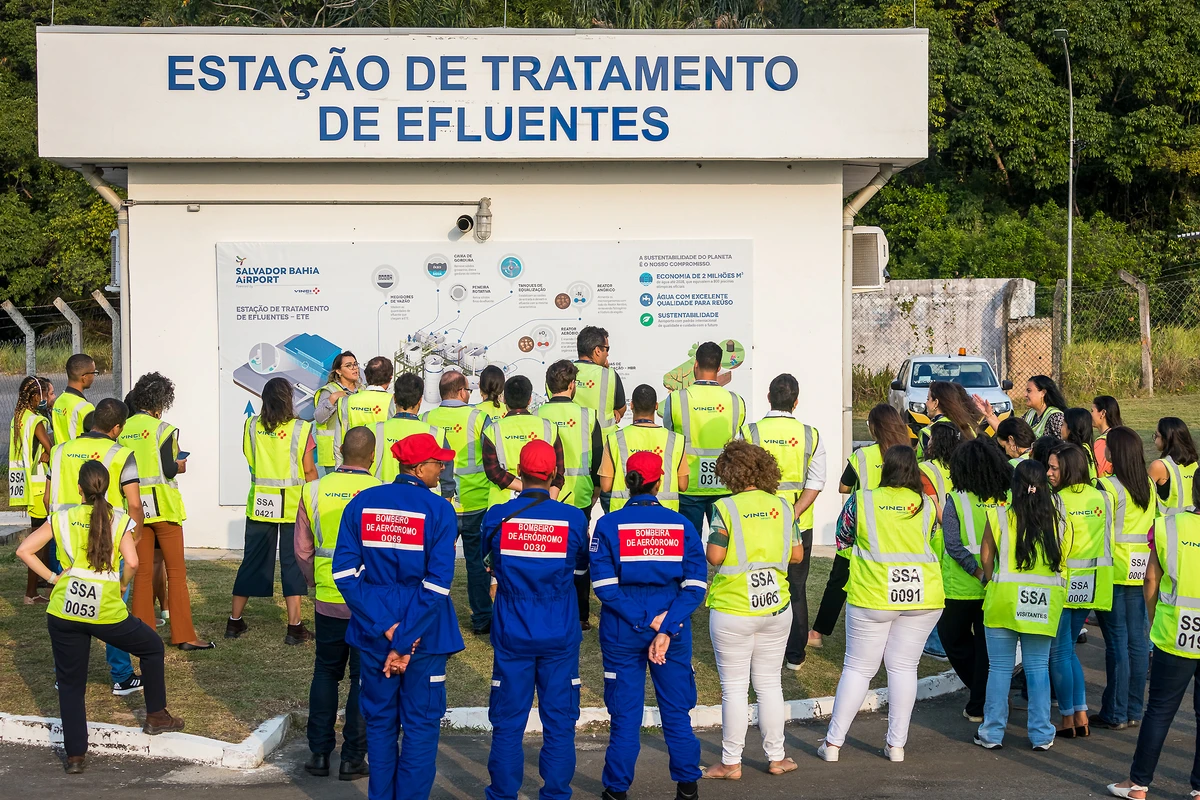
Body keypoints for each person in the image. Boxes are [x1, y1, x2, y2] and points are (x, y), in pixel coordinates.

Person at [16, 460, 184, 774]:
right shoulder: (119, 519)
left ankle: (76, 757)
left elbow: (24, 550)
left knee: (70, 684)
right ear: (107, 488)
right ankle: (156, 715)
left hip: (64, 609)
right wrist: (122, 584)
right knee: (151, 647)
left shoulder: (61, 518)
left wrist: (53, 579)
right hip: (106, 610)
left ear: (79, 489)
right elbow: (132, 561)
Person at [333, 432, 463, 800]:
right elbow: (437, 585)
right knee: (421, 727)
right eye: (437, 462)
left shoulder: (363, 503)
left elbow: (344, 573)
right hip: (426, 631)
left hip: (375, 632)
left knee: (380, 725)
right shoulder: (440, 510)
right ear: (420, 468)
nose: (442, 468)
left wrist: (386, 629)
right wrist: (404, 639)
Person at [591, 450, 706, 800]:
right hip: (672, 628)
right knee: (676, 712)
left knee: (625, 716)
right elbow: (696, 586)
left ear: (628, 483)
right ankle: (687, 788)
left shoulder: (608, 524)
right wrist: (666, 626)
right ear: (659, 483)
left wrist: (647, 621)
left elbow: (604, 588)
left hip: (624, 628)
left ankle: (616, 791)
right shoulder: (682, 525)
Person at [817, 445, 943, 764]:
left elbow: (843, 537)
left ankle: (833, 744)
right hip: (922, 594)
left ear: (884, 469)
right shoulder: (928, 504)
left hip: (873, 593)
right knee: (903, 667)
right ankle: (896, 745)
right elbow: (934, 537)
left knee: (859, 668)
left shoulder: (863, 500)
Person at [481, 439, 589, 800]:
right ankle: (556, 794)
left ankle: (502, 794)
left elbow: (488, 560)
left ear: (521, 472)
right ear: (554, 473)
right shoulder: (573, 517)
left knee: (508, 723)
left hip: (512, 628)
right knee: (559, 723)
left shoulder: (497, 516)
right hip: (559, 629)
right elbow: (580, 566)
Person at [702, 440, 803, 779]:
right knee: (770, 684)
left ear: (729, 474)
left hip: (733, 608)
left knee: (734, 688)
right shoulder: (784, 506)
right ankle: (777, 757)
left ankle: (731, 763)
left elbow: (715, 557)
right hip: (776, 605)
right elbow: (798, 555)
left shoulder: (726, 507)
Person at [1107, 470, 1200, 800]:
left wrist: (1153, 617)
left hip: (1175, 631)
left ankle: (1138, 785)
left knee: (1159, 710)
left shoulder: (1168, 526)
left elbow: (1151, 579)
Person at [294, 426, 379, 781]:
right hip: (368, 601)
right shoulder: (380, 492)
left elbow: (302, 550)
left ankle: (318, 754)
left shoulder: (313, 490)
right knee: (361, 677)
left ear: (341, 450)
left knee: (326, 672)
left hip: (329, 595)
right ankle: (353, 757)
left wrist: (315, 581)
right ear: (373, 457)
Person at [47, 397, 146, 697]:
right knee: (113, 610)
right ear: (117, 428)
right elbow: (134, 504)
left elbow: (46, 498)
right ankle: (122, 675)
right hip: (105, 544)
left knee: (69, 609)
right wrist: (133, 537)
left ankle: (63, 675)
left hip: (64, 539)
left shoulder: (60, 450)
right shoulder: (121, 454)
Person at [974, 459, 1065, 751]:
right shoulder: (1060, 519)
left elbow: (986, 555)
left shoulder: (1000, 516)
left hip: (1003, 599)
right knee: (1038, 667)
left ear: (1015, 486)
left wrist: (992, 579)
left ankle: (991, 733)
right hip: (1042, 602)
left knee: (999, 668)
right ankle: (1040, 735)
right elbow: (1065, 559)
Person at [118, 373, 211, 650]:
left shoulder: (121, 428)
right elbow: (170, 468)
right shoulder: (164, 429)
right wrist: (181, 466)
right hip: (165, 509)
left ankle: (142, 635)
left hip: (134, 509)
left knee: (143, 572)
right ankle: (184, 636)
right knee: (176, 573)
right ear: (161, 401)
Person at [742, 373, 825, 672]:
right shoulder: (810, 435)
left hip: (755, 523)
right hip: (798, 524)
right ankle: (795, 656)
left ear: (768, 397)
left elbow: (741, 479)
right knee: (796, 587)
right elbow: (816, 482)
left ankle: (757, 650)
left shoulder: (749, 432)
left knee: (755, 581)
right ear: (796, 401)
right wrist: (793, 513)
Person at [811, 403, 909, 648]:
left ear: (875, 428)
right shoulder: (910, 453)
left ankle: (817, 634)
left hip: (862, 528)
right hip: (898, 530)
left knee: (839, 580)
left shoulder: (862, 455)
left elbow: (843, 487)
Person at [228, 376, 317, 645]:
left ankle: (234, 622)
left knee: (251, 561)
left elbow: (249, 458)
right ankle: (294, 628)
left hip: (260, 504)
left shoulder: (251, 425)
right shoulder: (301, 429)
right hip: (292, 505)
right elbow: (309, 469)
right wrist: (315, 502)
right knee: (293, 563)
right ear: (288, 399)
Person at [939, 438, 1011, 723]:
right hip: (993, 586)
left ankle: (980, 698)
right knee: (984, 648)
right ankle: (982, 699)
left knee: (952, 639)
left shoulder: (956, 499)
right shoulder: (1004, 497)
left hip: (961, 588)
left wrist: (977, 571)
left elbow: (953, 545)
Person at [1048, 442, 1114, 739]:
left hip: (1064, 582)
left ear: (1068, 470)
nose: (1048, 473)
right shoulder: (1102, 497)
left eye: (1053, 468)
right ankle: (1081, 713)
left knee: (1059, 652)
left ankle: (1067, 718)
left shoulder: (1057, 500)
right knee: (1068, 649)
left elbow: (1055, 546)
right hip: (1091, 583)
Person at [1093, 426, 1155, 730]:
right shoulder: (1148, 485)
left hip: (1115, 570)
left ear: (1114, 453)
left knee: (1117, 643)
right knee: (1137, 642)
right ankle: (1133, 709)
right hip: (1141, 568)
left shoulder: (1108, 487)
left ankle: (1115, 712)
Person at [423, 370, 494, 635]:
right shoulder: (478, 417)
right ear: (462, 391)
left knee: (435, 562)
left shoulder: (427, 419)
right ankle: (482, 618)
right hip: (476, 500)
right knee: (476, 562)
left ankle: (431, 618)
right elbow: (492, 457)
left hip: (440, 503)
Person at [538, 359, 603, 631]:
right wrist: (595, 491)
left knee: (546, 553)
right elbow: (598, 458)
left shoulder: (536, 414)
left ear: (548, 385)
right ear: (573, 385)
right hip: (580, 496)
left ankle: (549, 609)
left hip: (545, 495)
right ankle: (580, 615)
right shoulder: (588, 415)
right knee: (579, 557)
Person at [661, 341, 747, 536]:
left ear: (695, 365)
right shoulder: (736, 401)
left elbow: (669, 435)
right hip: (724, 483)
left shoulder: (676, 399)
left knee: (689, 547)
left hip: (688, 484)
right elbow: (740, 438)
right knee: (724, 547)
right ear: (719, 368)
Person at [599, 383, 687, 514]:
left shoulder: (614, 439)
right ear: (656, 406)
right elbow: (683, 485)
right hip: (665, 515)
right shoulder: (675, 440)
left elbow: (605, 486)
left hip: (624, 514)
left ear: (631, 405)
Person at [481, 375, 565, 507]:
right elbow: (558, 471)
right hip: (542, 504)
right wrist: (549, 501)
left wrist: (525, 488)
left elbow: (493, 472)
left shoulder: (493, 430)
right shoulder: (549, 428)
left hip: (503, 507)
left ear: (504, 399)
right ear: (530, 399)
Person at [11, 375, 55, 603]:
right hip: (39, 485)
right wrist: (50, 448)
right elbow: (51, 449)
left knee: (37, 537)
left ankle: (40, 583)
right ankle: (32, 593)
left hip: (26, 483)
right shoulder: (37, 421)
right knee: (38, 542)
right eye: (45, 394)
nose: (46, 398)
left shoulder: (18, 418)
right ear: (35, 397)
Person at [373, 373, 442, 484]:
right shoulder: (435, 433)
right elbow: (446, 477)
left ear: (394, 398)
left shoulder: (373, 430)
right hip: (422, 498)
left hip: (382, 497)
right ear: (420, 400)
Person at [335, 356, 395, 466]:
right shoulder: (393, 403)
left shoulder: (346, 402)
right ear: (390, 378)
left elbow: (338, 442)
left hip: (353, 467)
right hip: (383, 467)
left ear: (366, 376)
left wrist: (340, 469)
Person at [313, 352, 360, 476]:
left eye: (355, 364)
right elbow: (319, 417)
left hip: (359, 452)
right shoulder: (330, 391)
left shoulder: (362, 391)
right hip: (334, 455)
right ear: (338, 371)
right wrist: (333, 399)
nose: (354, 368)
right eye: (349, 365)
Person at [979, 375, 1066, 439]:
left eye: (1029, 391)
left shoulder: (1056, 417)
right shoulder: (1030, 414)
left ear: (1042, 393)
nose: (1025, 395)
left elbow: (1062, 449)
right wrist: (989, 415)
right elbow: (1010, 434)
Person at [574, 325, 627, 430]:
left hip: (569, 441)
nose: (607, 354)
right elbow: (621, 409)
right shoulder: (609, 375)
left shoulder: (559, 373)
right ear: (597, 350)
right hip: (603, 443)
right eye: (607, 349)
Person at [1149, 417, 1198, 513]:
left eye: (1157, 435)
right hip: (1193, 523)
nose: (1155, 439)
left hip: (1168, 525)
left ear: (1167, 439)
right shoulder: (1194, 464)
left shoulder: (1158, 466)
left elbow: (1143, 497)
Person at [917, 381, 978, 457]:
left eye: (928, 399)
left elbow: (920, 462)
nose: (926, 403)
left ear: (936, 403)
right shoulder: (967, 427)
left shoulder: (928, 432)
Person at [51, 353, 98, 443]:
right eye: (94, 373)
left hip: (59, 456)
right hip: (79, 456)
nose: (94, 377)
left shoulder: (58, 401)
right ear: (84, 377)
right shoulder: (85, 407)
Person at [1064, 408, 1099, 481]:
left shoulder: (1075, 452)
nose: (1060, 427)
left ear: (1071, 428)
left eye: (1062, 424)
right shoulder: (1085, 447)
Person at [1092, 396, 1122, 478]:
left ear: (1103, 413)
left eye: (1092, 411)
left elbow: (1097, 471)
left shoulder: (1102, 442)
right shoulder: (1121, 434)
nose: (1090, 414)